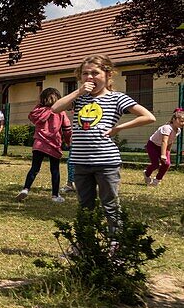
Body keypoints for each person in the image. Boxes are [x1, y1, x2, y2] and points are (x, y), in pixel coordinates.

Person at [50, 54, 155, 231]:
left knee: (110, 206)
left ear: (107, 75)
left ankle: (117, 245)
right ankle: (84, 246)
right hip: (80, 162)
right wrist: (78, 91)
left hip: (106, 162)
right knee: (85, 207)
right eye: (85, 73)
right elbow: (55, 108)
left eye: (95, 73)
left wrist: (118, 128)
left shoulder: (117, 98)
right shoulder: (80, 98)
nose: (89, 77)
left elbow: (148, 116)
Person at [16, 89, 70, 203]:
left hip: (39, 144)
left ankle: (25, 189)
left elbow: (32, 117)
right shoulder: (61, 112)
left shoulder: (38, 110)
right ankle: (55, 195)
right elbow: (67, 128)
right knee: (54, 170)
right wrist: (68, 141)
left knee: (35, 168)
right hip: (54, 144)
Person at [144, 108, 184, 186]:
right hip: (153, 145)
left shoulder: (178, 130)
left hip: (163, 147)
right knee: (155, 164)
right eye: (181, 121)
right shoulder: (167, 128)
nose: (183, 123)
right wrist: (163, 154)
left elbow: (171, 140)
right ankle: (146, 174)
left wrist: (168, 151)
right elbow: (164, 141)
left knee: (166, 164)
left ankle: (157, 180)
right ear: (174, 119)